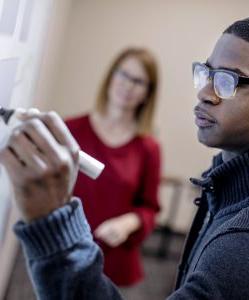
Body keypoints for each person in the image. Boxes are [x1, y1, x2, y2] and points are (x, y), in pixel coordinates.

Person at [1, 15, 249, 299]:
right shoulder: (232, 182)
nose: (205, 93)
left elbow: (148, 208)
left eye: (229, 80)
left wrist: (54, 222)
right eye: (206, 74)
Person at [64, 48, 161, 287]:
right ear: (111, 77)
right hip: (67, 251)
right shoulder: (70, 130)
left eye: (138, 81)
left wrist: (128, 223)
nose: (128, 85)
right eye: (123, 74)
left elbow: (150, 208)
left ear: (147, 94)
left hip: (113, 261)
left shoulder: (149, 148)